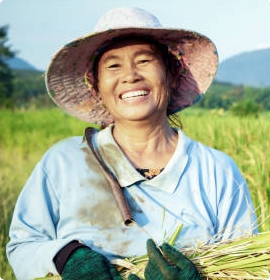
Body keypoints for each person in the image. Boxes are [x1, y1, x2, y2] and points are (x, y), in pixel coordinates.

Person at [6, 7, 257, 280]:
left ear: (171, 75)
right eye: (113, 65)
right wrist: (67, 257)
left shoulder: (215, 171)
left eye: (144, 61)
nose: (130, 75)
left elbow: (248, 266)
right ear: (96, 84)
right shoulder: (64, 162)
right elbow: (22, 247)